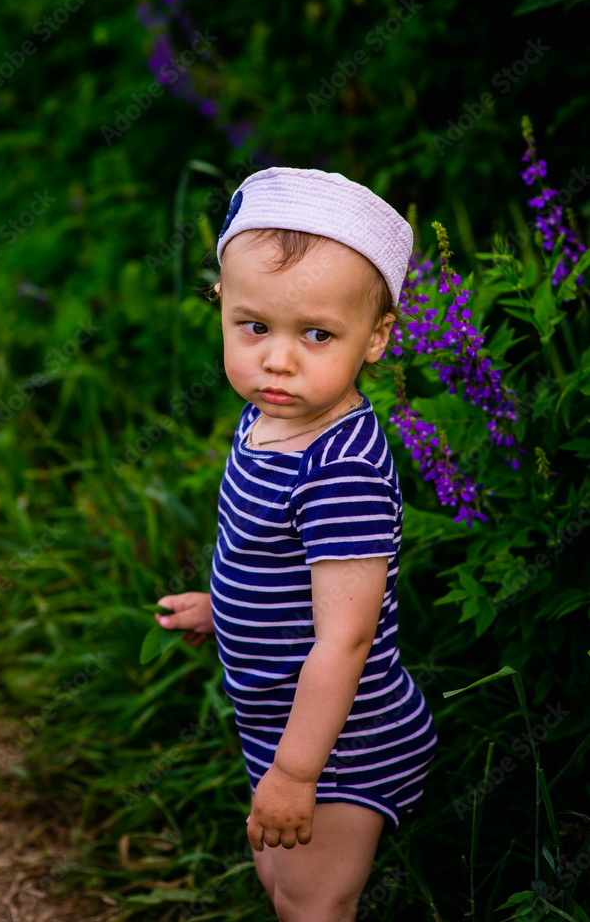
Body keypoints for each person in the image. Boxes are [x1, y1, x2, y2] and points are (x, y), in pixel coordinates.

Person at [155, 167, 437, 922]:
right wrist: (223, 605)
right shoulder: (268, 419)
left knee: (313, 905)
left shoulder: (341, 469)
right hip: (278, 724)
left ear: (376, 337)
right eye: (254, 326)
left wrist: (296, 773)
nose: (278, 360)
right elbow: (272, 555)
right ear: (222, 304)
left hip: (340, 742)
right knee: (284, 888)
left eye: (317, 334)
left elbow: (346, 640)